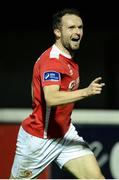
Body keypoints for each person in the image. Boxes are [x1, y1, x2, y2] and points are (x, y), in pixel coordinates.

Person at [10, 8, 105, 179]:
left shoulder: (69, 59)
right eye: (71, 28)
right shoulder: (52, 61)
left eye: (80, 27)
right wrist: (87, 92)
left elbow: (34, 90)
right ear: (57, 32)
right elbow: (51, 98)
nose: (77, 32)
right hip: (39, 140)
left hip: (64, 134)